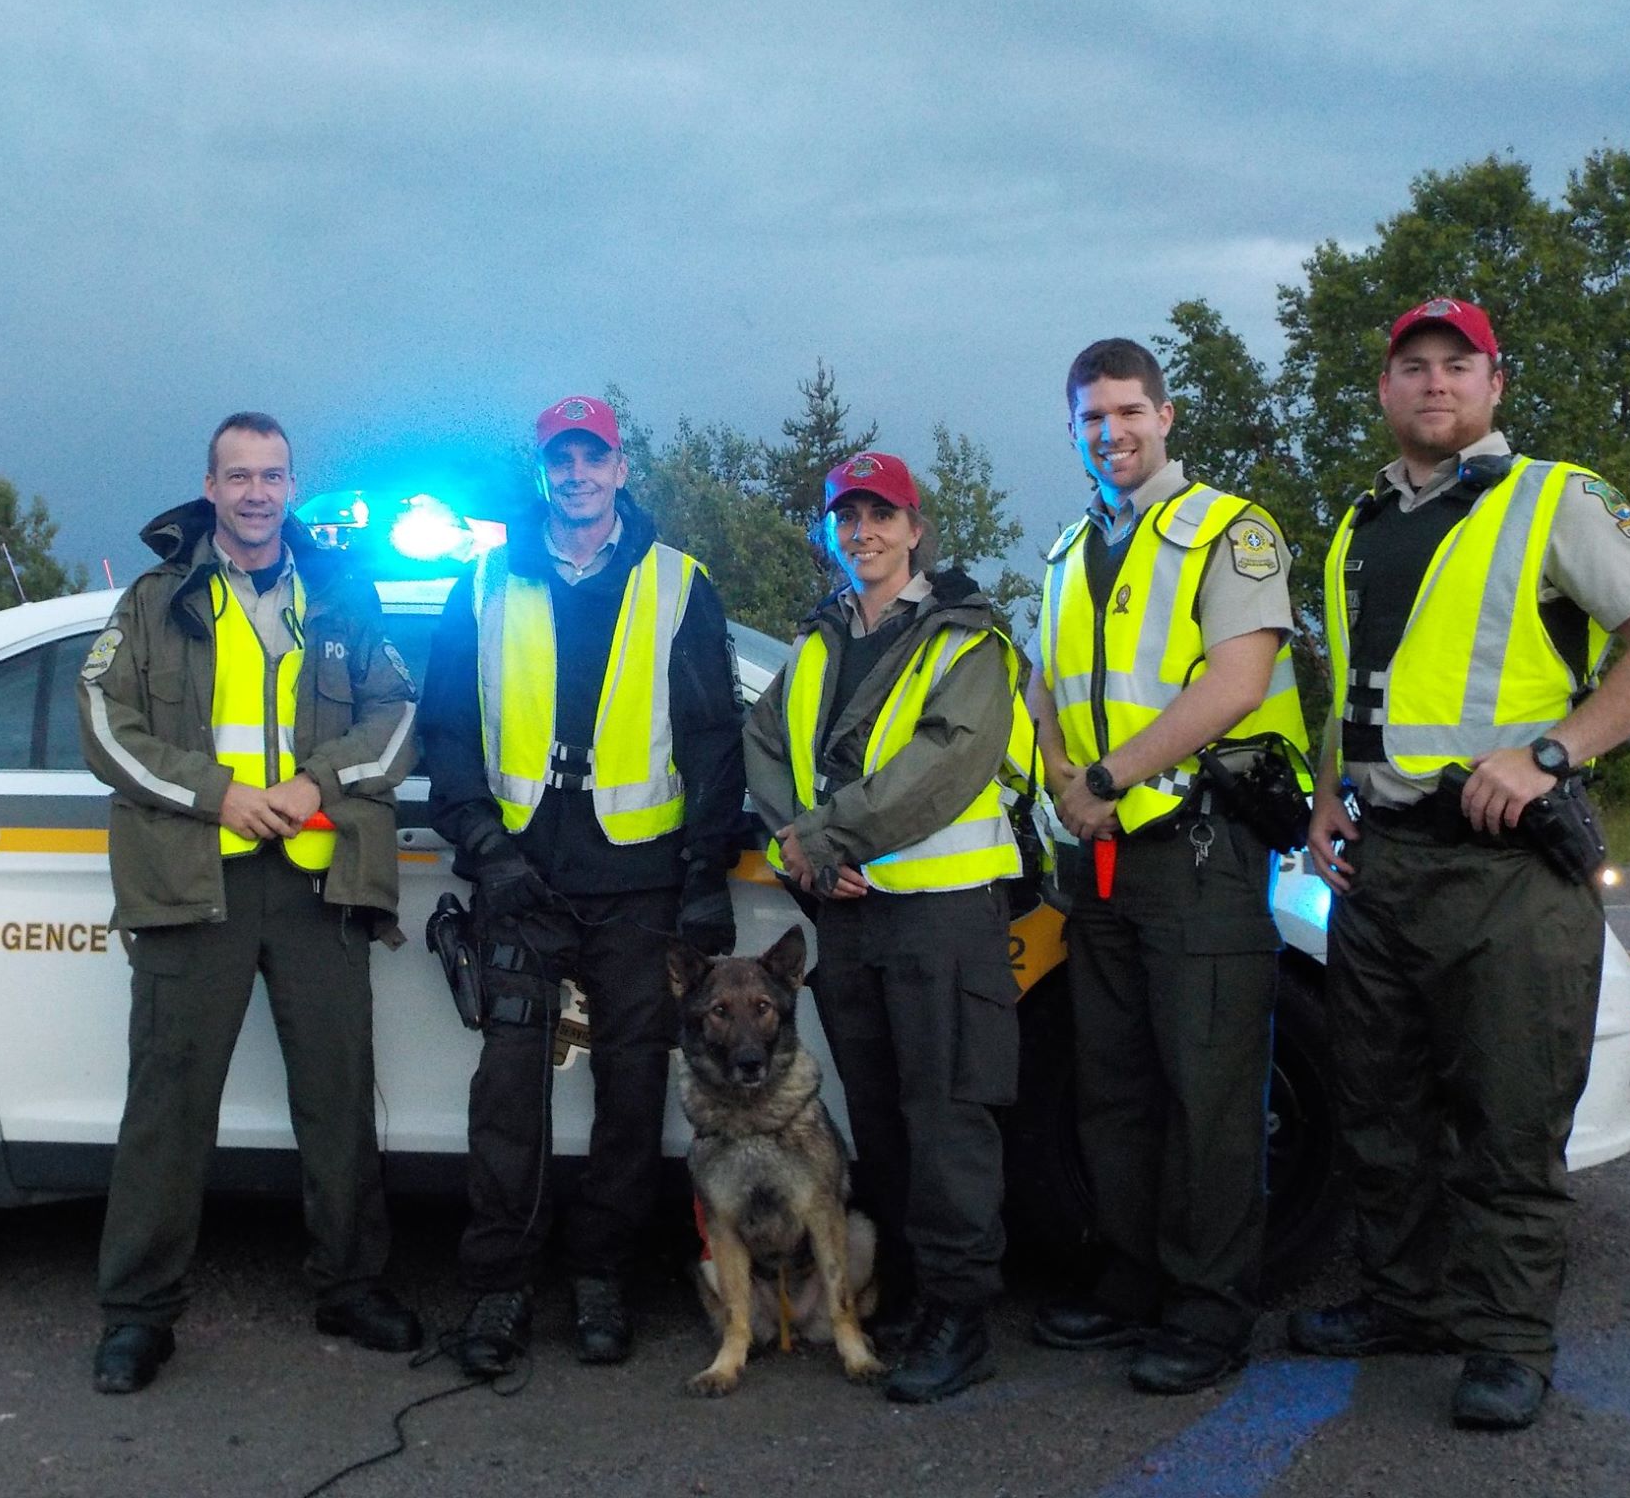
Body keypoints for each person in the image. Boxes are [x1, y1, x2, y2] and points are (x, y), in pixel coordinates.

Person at [1289, 297, 1630, 1430]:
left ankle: (1503, 1343)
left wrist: (1555, 751)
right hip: (1379, 864)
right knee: (1379, 1111)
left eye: (1456, 365)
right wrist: (1324, 795)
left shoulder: (1555, 498)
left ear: (1492, 385)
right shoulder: (1356, 524)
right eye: (1410, 367)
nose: (1432, 383)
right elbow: (1357, 691)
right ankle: (1405, 1300)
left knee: (1507, 1117)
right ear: (1384, 391)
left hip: (1505, 872)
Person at [76, 411, 422, 1394]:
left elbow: (396, 717)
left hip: (316, 879)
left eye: (272, 475)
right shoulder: (153, 601)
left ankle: (349, 1285)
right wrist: (219, 792)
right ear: (211, 486)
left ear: (289, 485)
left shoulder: (341, 598)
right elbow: (105, 724)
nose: (257, 492)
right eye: (239, 476)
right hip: (194, 879)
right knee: (168, 1105)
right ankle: (138, 1315)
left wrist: (316, 785)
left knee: (339, 1097)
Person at [417, 393, 746, 1376]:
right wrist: (488, 851)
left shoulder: (679, 583)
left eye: (591, 458)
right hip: (521, 880)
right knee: (508, 1092)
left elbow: (713, 744)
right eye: (559, 459)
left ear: (618, 469)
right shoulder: (480, 582)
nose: (575, 474)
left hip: (638, 885)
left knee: (631, 1087)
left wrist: (702, 877)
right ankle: (500, 1288)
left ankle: (602, 1278)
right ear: (542, 471)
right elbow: (448, 736)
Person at [1027, 338, 1311, 1394]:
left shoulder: (1227, 533)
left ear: (1165, 414)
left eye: (1126, 412)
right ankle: (1132, 1280)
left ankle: (1206, 1309)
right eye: (1090, 417)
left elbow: (1236, 682)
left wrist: (1099, 779)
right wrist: (1063, 781)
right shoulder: (1063, 551)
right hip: (1100, 857)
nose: (1110, 432)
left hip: (1196, 849)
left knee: (1209, 1090)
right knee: (1114, 1086)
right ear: (1072, 430)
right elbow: (1049, 688)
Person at [743, 452, 1026, 1404]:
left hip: (943, 915)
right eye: (845, 516)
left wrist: (821, 836)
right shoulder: (818, 640)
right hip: (851, 916)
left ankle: (962, 1316)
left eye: (881, 515)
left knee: (949, 1119)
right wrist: (797, 844)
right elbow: (767, 742)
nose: (862, 531)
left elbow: (946, 763)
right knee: (884, 1119)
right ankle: (909, 1293)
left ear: (916, 529)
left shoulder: (970, 640)